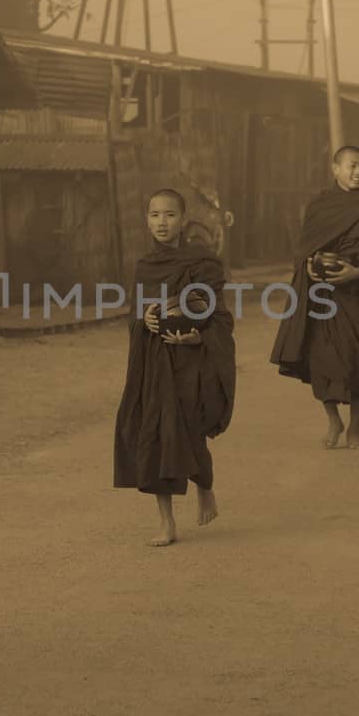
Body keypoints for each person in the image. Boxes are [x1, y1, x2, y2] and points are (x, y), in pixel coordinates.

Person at [114, 189, 237, 547]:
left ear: (183, 220)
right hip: (155, 360)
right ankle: (166, 522)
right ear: (146, 220)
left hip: (190, 361)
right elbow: (135, 315)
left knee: (188, 429)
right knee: (155, 434)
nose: (161, 222)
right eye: (154, 215)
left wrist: (196, 338)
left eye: (169, 215)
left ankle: (205, 485)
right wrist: (147, 320)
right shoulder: (144, 267)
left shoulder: (204, 263)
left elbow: (220, 318)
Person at [270, 145, 359, 449]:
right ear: (335, 169)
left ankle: (355, 428)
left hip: (358, 292)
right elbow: (305, 245)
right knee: (322, 360)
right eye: (351, 166)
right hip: (322, 293)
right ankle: (334, 420)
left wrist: (357, 271)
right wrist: (308, 264)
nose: (358, 172)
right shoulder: (319, 204)